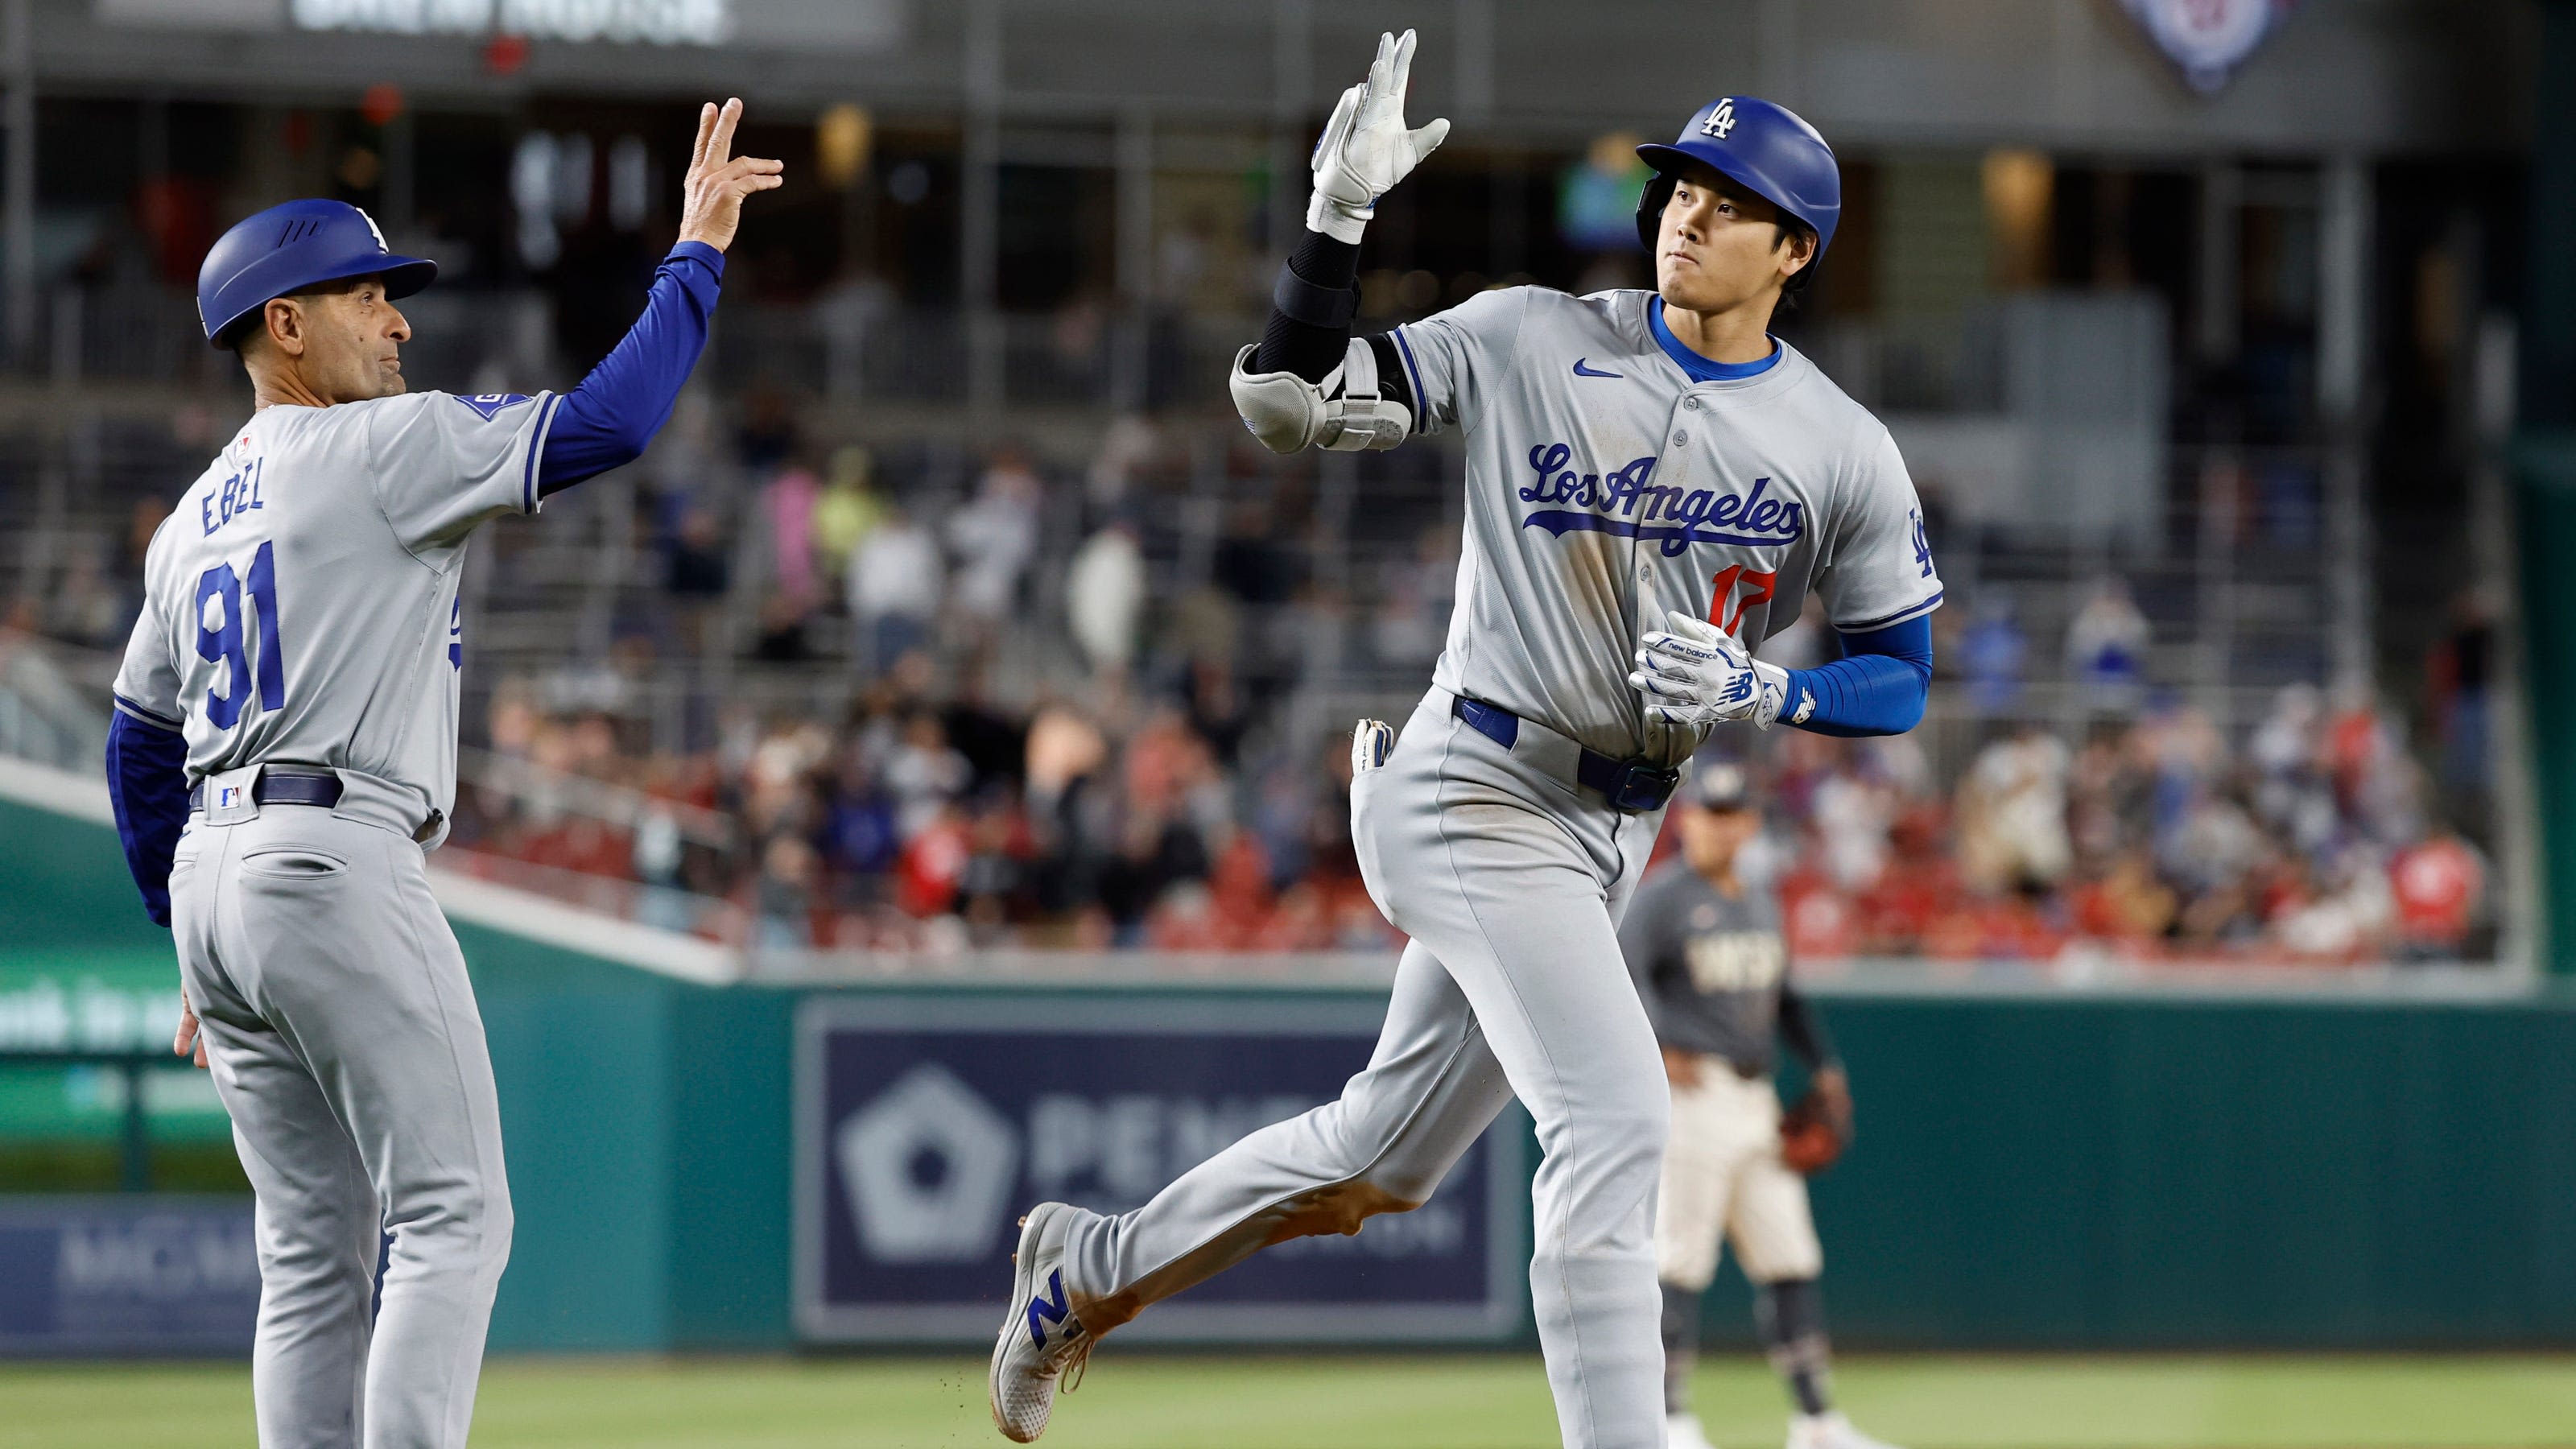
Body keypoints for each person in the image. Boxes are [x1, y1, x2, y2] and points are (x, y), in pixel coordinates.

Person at [988, 34, 1939, 1449]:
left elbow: (1899, 674)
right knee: (1619, 1123)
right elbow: (1295, 395)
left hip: (1612, 829)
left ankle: (1086, 1270)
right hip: (1472, 781)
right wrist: (1334, 225)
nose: (1688, 211)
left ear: (1794, 250)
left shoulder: (1839, 442)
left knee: (1381, 1161)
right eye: (1681, 184)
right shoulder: (1532, 333)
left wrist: (1771, 691)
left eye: (1728, 201)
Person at [102, 101, 778, 1449]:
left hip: (220, 880)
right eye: (367, 296)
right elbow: (607, 426)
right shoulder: (378, 448)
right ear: (282, 326)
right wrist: (695, 253)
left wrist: (179, 929)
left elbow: (136, 746)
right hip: (332, 853)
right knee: (457, 1215)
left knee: (309, 1253)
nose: (400, 322)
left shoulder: (189, 522)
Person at [1620, 764, 1896, 1449]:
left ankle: (1816, 1423)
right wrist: (1653, 1044)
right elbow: (1622, 971)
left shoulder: (1761, 899)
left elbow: (1787, 996)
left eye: (1732, 813)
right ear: (1689, 821)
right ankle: (1668, 1421)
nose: (1719, 824)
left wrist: (1824, 1065)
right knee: (1679, 1262)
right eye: (1709, 812)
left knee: (1791, 1258)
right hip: (1693, 1097)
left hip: (1756, 1097)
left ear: (1747, 823)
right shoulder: (1663, 899)